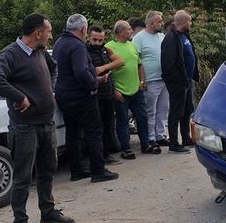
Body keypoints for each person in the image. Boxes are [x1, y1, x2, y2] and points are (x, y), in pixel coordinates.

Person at [0, 13, 74, 223]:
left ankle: (48, 211)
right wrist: (19, 96)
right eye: (49, 31)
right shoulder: (10, 54)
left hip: (46, 122)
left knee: (48, 169)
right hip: (24, 127)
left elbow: (54, 69)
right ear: (38, 33)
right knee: (23, 177)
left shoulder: (40, 52)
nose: (51, 35)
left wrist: (50, 90)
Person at [52, 13, 119, 184]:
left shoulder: (59, 43)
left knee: (72, 132)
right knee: (94, 131)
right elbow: (81, 71)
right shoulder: (77, 46)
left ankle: (77, 170)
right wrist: (93, 84)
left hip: (64, 94)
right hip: (80, 95)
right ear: (83, 29)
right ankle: (98, 170)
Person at [106, 20, 158, 159]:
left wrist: (142, 81)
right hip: (121, 91)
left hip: (136, 89)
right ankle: (126, 148)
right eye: (129, 29)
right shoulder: (109, 47)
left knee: (142, 117)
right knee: (122, 120)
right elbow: (107, 72)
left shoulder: (132, 45)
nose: (131, 31)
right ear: (121, 32)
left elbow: (139, 65)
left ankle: (145, 144)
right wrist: (114, 90)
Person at [161, 10, 198, 153]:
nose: (191, 23)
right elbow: (169, 64)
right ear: (182, 22)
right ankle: (174, 143)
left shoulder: (184, 35)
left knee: (187, 110)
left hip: (187, 80)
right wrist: (179, 81)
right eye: (189, 21)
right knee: (176, 111)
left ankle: (186, 138)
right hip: (178, 82)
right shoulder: (171, 38)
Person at [133, 10, 169, 147]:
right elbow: (136, 60)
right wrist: (141, 80)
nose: (162, 23)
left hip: (164, 79)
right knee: (150, 110)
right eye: (159, 21)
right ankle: (150, 137)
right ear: (151, 23)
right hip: (150, 80)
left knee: (163, 109)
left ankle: (160, 135)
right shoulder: (139, 38)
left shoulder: (162, 36)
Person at [86, 25, 123, 159]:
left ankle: (106, 154)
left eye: (100, 40)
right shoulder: (83, 51)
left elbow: (120, 61)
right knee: (97, 127)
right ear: (88, 37)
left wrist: (103, 68)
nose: (97, 43)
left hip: (108, 93)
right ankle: (99, 156)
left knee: (108, 126)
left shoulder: (105, 49)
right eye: (94, 40)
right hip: (95, 95)